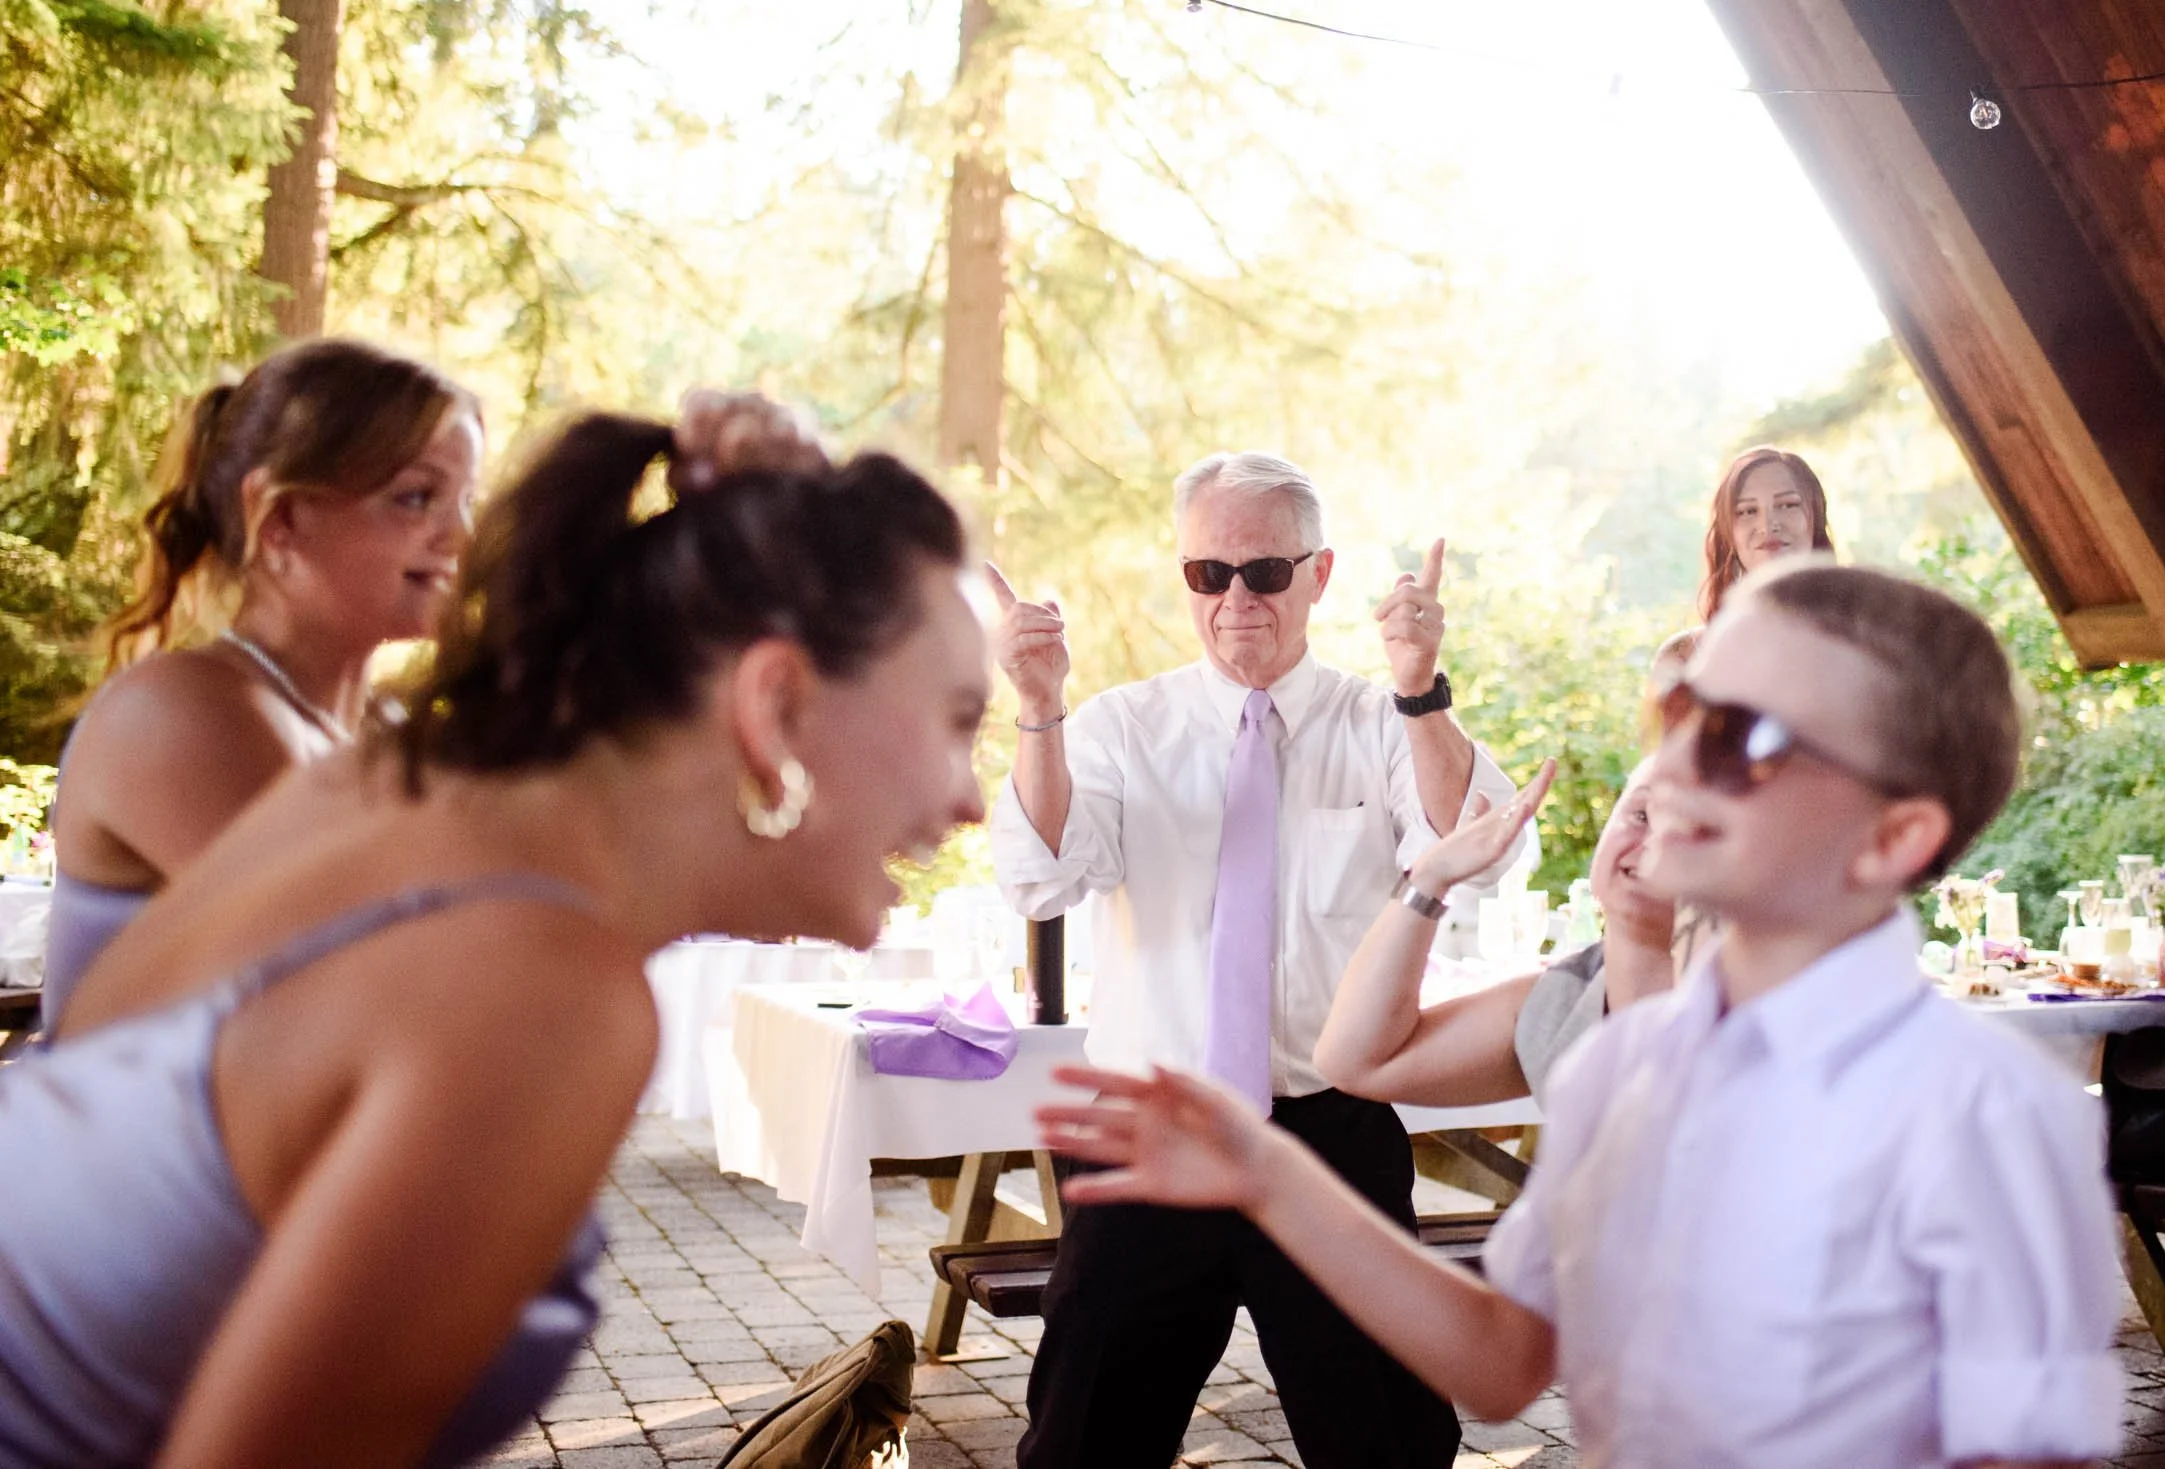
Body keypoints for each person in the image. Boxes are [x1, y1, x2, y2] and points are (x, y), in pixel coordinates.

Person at [0, 392, 990, 1466]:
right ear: (776, 705)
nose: (970, 799)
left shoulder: (401, 778)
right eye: (956, 720)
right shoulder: (545, 985)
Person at [1038, 557, 2121, 1469]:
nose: (1679, 763)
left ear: (1890, 840)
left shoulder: (1983, 1106)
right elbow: (1506, 1359)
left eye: (1748, 736)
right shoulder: (1627, 1063)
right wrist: (1266, 1172)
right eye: (1680, 715)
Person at [986, 450, 1527, 1468]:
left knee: (1388, 1440)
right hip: (1150, 1126)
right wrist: (1039, 702)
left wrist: (1420, 689)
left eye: (1265, 572)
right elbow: (1043, 874)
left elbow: (1476, 843)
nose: (1235, 599)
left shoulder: (1380, 721)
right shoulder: (1115, 725)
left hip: (1328, 1125)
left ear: (1318, 575)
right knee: (1083, 1441)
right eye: (1208, 573)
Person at [42, 338, 483, 1028]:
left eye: (466, 501)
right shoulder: (178, 714)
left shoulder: (383, 733)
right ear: (280, 521)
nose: (460, 537)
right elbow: (383, 982)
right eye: (417, 498)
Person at [1314, 757, 1674, 1108]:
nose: (1651, 847)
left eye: (1692, 830)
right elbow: (1355, 1064)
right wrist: (1430, 876)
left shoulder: (1728, 1007)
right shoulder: (1569, 998)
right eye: (1641, 815)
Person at [1652, 445, 1835, 682]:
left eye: (1788, 505)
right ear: (1729, 536)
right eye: (1748, 511)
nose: (1768, 525)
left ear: (1816, 518)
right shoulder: (1684, 659)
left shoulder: (1869, 648)